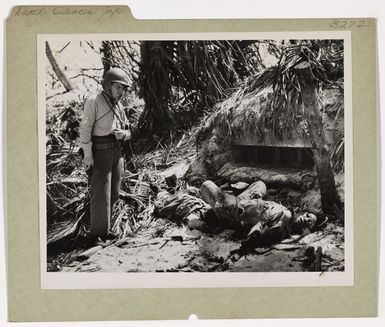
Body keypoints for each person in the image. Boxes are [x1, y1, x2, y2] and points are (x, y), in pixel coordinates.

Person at [79, 67, 132, 242]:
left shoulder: (119, 105)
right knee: (100, 194)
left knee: (114, 192)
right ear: (108, 85)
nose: (121, 91)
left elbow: (128, 129)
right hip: (100, 152)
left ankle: (106, 230)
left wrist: (124, 135)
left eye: (123, 88)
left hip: (117, 152)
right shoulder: (93, 101)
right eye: (118, 87)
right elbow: (85, 129)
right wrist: (87, 155)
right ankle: (97, 235)